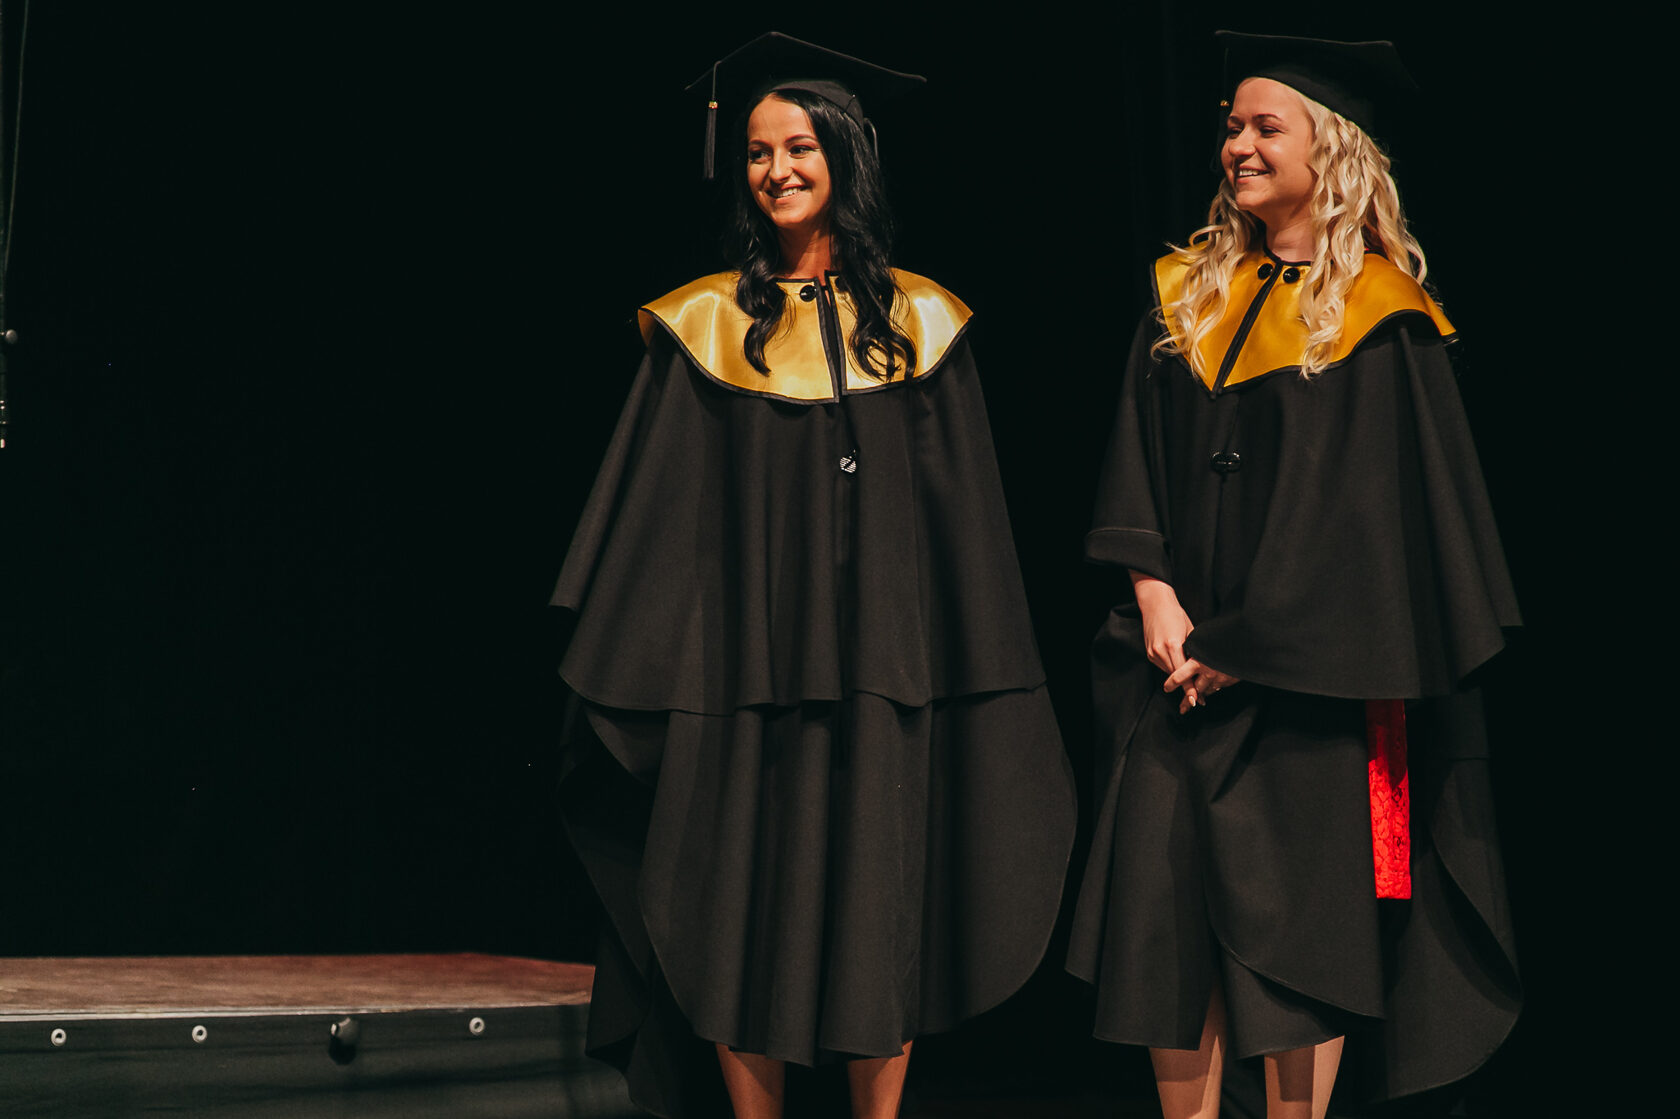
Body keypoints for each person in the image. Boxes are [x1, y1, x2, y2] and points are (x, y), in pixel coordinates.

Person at [553, 33, 1075, 1119]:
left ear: (845, 154)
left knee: (881, 919)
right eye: (757, 152)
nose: (776, 170)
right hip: (747, 678)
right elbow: (661, 522)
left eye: (798, 147)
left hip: (884, 678)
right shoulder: (708, 326)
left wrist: (965, 673)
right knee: (741, 922)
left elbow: (965, 531)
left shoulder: (924, 326)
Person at [1065, 33, 1522, 1119]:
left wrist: (1242, 647)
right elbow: (1134, 463)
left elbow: (1369, 531)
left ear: (1335, 149)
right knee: (1165, 942)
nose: (1239, 144)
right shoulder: (1186, 298)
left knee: (1296, 948)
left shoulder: (1380, 317)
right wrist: (1154, 594)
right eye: (1232, 126)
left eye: (1267, 126)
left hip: (1310, 691)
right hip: (1172, 675)